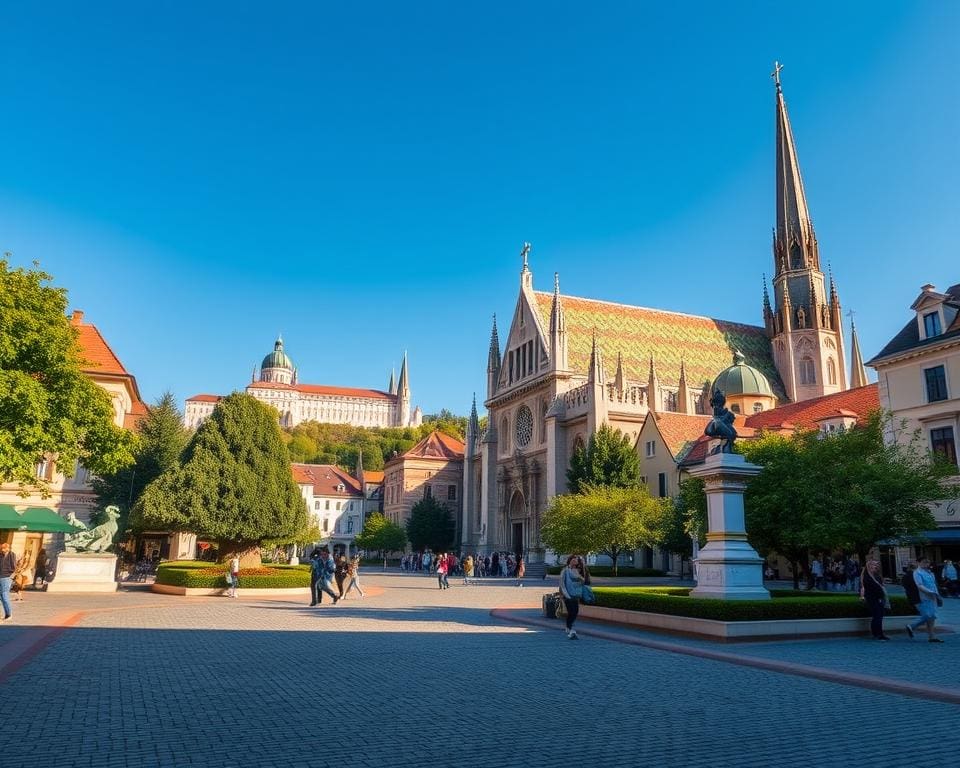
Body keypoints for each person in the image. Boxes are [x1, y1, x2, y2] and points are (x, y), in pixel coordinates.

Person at [906, 558, 944, 643]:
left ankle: (932, 636)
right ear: (918, 563)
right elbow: (919, 585)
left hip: (933, 596)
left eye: (927, 562)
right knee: (929, 615)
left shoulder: (930, 573)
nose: (926, 564)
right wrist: (929, 592)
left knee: (932, 616)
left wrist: (938, 596)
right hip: (924, 597)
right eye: (924, 562)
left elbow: (934, 585)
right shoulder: (917, 573)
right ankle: (911, 626)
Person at [558, 554, 590, 640]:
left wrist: (580, 577)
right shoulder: (565, 570)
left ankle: (569, 627)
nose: (575, 562)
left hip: (576, 594)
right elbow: (562, 584)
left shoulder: (578, 571)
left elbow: (584, 582)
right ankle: (569, 628)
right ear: (570, 560)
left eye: (576, 560)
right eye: (573, 560)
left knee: (575, 612)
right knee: (571, 612)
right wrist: (566, 595)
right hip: (567, 595)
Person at [860, 560, 889, 640]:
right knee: (877, 616)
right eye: (873, 565)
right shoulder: (867, 577)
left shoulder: (876, 576)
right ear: (869, 566)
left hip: (878, 598)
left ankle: (877, 633)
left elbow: (881, 585)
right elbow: (869, 588)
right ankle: (878, 634)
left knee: (878, 616)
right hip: (873, 599)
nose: (875, 566)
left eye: (876, 565)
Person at [0, 542, 17, 620]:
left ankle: (8, 614)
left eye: (3, 548)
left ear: (7, 548)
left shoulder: (11, 555)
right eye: (1, 548)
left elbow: (13, 567)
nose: (2, 550)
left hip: (6, 577)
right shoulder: (1, 555)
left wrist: (10, 576)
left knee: (4, 595)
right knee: (1, 596)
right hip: (1, 576)